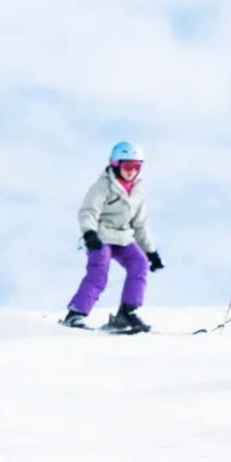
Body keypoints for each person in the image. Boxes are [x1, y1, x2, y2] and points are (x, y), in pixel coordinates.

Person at [61, 141, 164, 333]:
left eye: (137, 166)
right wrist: (90, 233)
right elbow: (88, 212)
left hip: (124, 237)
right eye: (127, 166)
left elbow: (140, 224)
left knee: (140, 264)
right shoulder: (102, 186)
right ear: (116, 164)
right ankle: (75, 314)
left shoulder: (138, 191)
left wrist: (151, 252)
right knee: (99, 273)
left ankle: (126, 313)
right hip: (101, 236)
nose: (132, 171)